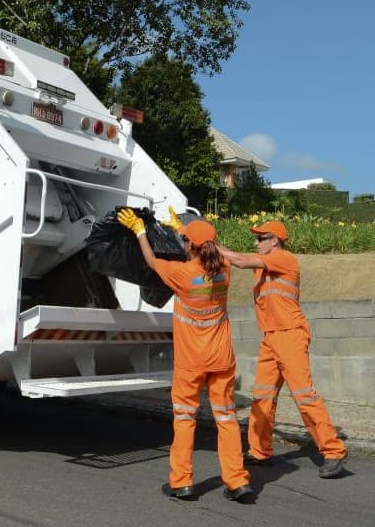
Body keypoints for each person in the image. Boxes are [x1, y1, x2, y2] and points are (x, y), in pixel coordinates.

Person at [117, 208, 252, 501]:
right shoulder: (224, 272)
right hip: (222, 359)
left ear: (190, 246)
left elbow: (152, 261)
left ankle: (182, 482)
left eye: (186, 241)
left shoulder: (182, 274)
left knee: (185, 418)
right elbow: (217, 253)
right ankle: (237, 481)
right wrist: (188, 231)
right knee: (227, 419)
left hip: (192, 362)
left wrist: (140, 230)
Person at [217, 220, 348, 478]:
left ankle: (334, 451)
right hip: (271, 338)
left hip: (290, 335)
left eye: (260, 238)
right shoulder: (265, 265)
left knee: (304, 395)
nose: (256, 242)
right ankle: (260, 451)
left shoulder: (283, 257)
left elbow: (241, 261)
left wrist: (211, 244)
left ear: (274, 240)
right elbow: (239, 260)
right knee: (262, 396)